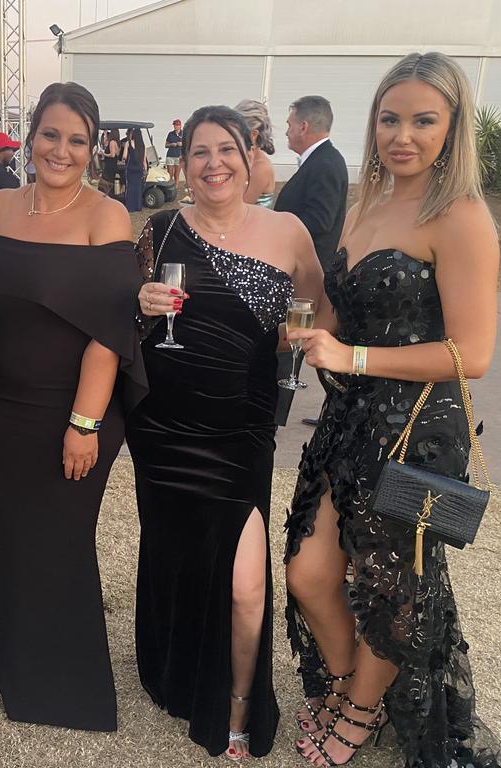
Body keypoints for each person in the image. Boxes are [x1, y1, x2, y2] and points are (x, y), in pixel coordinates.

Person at [284, 52, 501, 768]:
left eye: (423, 120)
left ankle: (357, 711)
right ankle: (355, 684)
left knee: (388, 584)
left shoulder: (463, 218)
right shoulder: (364, 204)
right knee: (310, 572)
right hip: (349, 419)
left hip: (415, 430)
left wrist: (350, 358)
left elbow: (471, 353)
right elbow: (338, 308)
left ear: (453, 129)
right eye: (390, 118)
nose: (402, 135)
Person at [128, 105, 323, 760]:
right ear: (183, 166)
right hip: (163, 427)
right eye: (199, 153)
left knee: (244, 582)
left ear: (248, 157)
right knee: (175, 554)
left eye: (226, 150)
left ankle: (240, 700)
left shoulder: (288, 230)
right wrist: (140, 302)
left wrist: (297, 342)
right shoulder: (157, 231)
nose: (213, 163)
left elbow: (316, 307)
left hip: (241, 427)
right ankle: (174, 671)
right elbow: (125, 329)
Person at [0, 81, 147, 732]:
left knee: (61, 542)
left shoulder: (107, 217)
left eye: (77, 140)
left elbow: (109, 330)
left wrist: (84, 423)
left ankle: (63, 686)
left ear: (93, 148)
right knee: (11, 537)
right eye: (51, 134)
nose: (62, 150)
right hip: (3, 408)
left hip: (73, 410)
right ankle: (10, 667)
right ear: (31, 136)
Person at [273, 95, 349, 427]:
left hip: (309, 277)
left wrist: (277, 228)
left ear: (304, 125)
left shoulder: (326, 164)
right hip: (300, 272)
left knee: (296, 341)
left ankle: (275, 413)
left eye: (289, 124)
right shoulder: (317, 162)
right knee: (293, 342)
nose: (286, 131)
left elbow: (320, 219)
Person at [235, 100, 276, 208]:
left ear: (253, 135)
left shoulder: (261, 168)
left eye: (236, 132)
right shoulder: (244, 160)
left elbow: (238, 208)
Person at [122, 127, 146, 213]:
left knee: (130, 187)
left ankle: (130, 207)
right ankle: (138, 206)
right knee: (138, 188)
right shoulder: (143, 145)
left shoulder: (128, 143)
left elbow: (124, 156)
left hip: (131, 168)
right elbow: (144, 161)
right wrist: (145, 171)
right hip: (139, 169)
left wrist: (124, 159)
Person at [164, 118, 183, 193]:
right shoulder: (170, 134)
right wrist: (172, 144)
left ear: (180, 125)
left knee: (176, 174)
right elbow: (166, 145)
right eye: (174, 125)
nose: (175, 126)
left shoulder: (183, 134)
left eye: (176, 125)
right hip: (170, 155)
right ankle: (169, 188)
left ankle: (175, 189)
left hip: (179, 156)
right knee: (170, 174)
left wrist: (181, 144)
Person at [100, 127, 121, 196]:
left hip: (109, 164)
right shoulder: (117, 143)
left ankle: (105, 195)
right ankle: (111, 195)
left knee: (105, 180)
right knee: (111, 180)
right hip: (114, 164)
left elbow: (112, 155)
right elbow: (117, 154)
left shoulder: (112, 142)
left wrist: (104, 154)